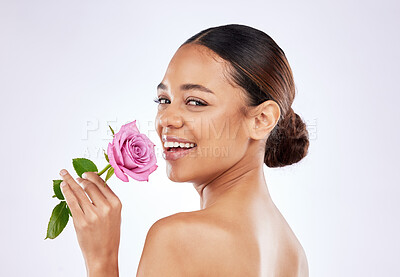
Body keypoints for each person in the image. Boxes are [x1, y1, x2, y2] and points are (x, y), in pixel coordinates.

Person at [59, 23, 310, 277]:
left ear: (261, 119)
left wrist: (101, 260)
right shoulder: (294, 255)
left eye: (195, 102)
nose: (167, 119)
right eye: (164, 100)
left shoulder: (177, 238)